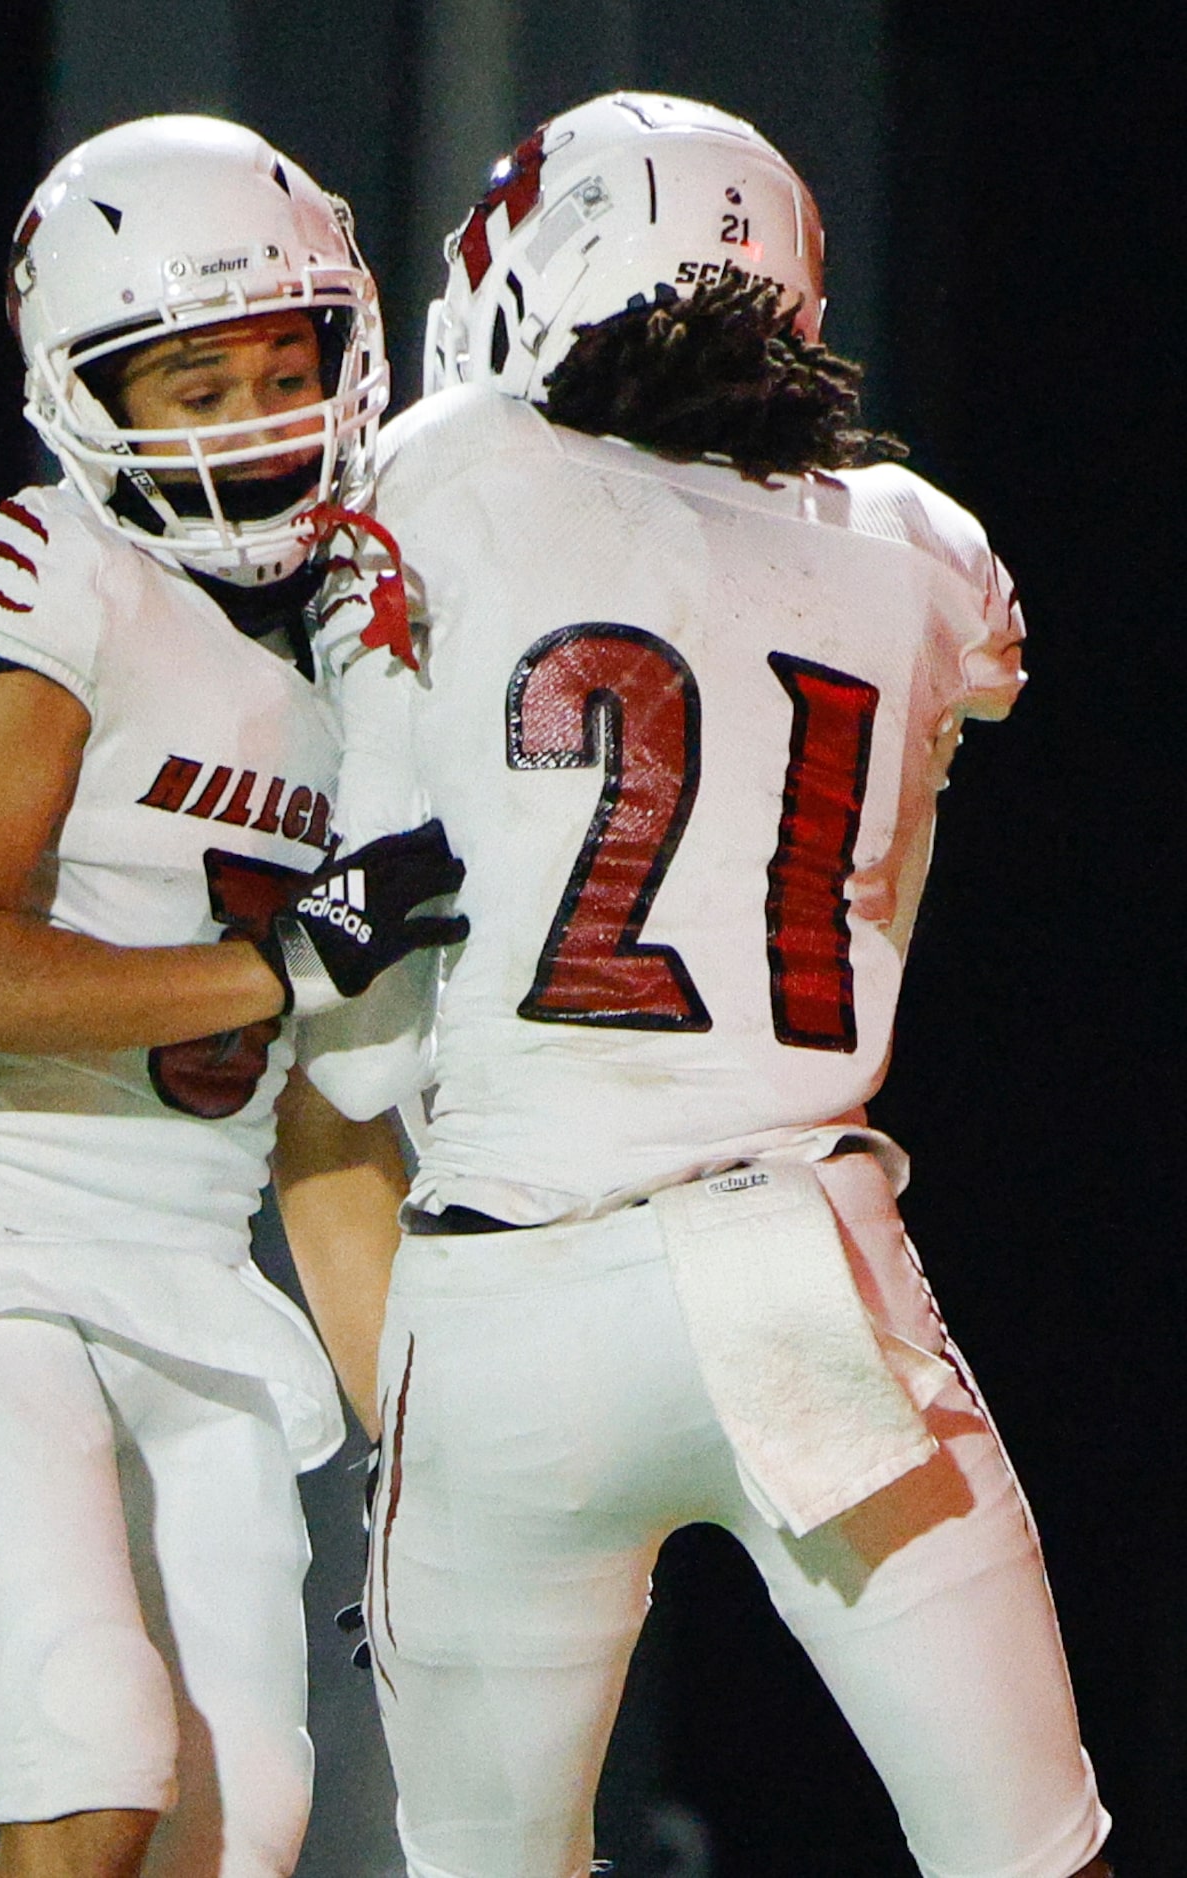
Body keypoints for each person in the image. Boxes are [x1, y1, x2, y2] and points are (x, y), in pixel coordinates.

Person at [307, 93, 1113, 1878]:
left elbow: (355, 1044)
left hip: (507, 1287)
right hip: (787, 1269)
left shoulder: (437, 475)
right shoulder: (919, 547)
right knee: (1028, 1854)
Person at [0, 115, 464, 1878]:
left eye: (290, 364)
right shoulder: (58, 574)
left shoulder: (370, 649)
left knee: (244, 1835)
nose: (264, 418)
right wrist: (284, 961)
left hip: (193, 1291)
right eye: (198, 386)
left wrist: (427, 1458)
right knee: (95, 1747)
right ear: (91, 396)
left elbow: (322, 1121)